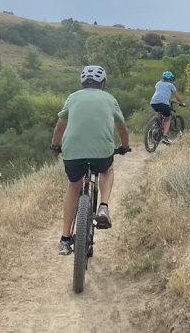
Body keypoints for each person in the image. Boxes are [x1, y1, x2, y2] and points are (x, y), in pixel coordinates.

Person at [51, 65, 130, 256]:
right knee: (107, 169)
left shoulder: (73, 97)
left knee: (73, 186)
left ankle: (64, 239)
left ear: (82, 82)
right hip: (101, 152)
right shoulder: (110, 99)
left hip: (73, 152)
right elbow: (122, 127)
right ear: (103, 83)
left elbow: (60, 125)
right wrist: (125, 146)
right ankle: (103, 207)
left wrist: (55, 145)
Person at [149, 71, 185, 144]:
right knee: (167, 119)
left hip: (153, 102)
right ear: (171, 79)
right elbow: (177, 96)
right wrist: (182, 103)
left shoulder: (158, 83)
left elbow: (161, 93)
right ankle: (164, 137)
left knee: (158, 112)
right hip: (164, 104)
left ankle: (155, 127)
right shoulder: (171, 85)